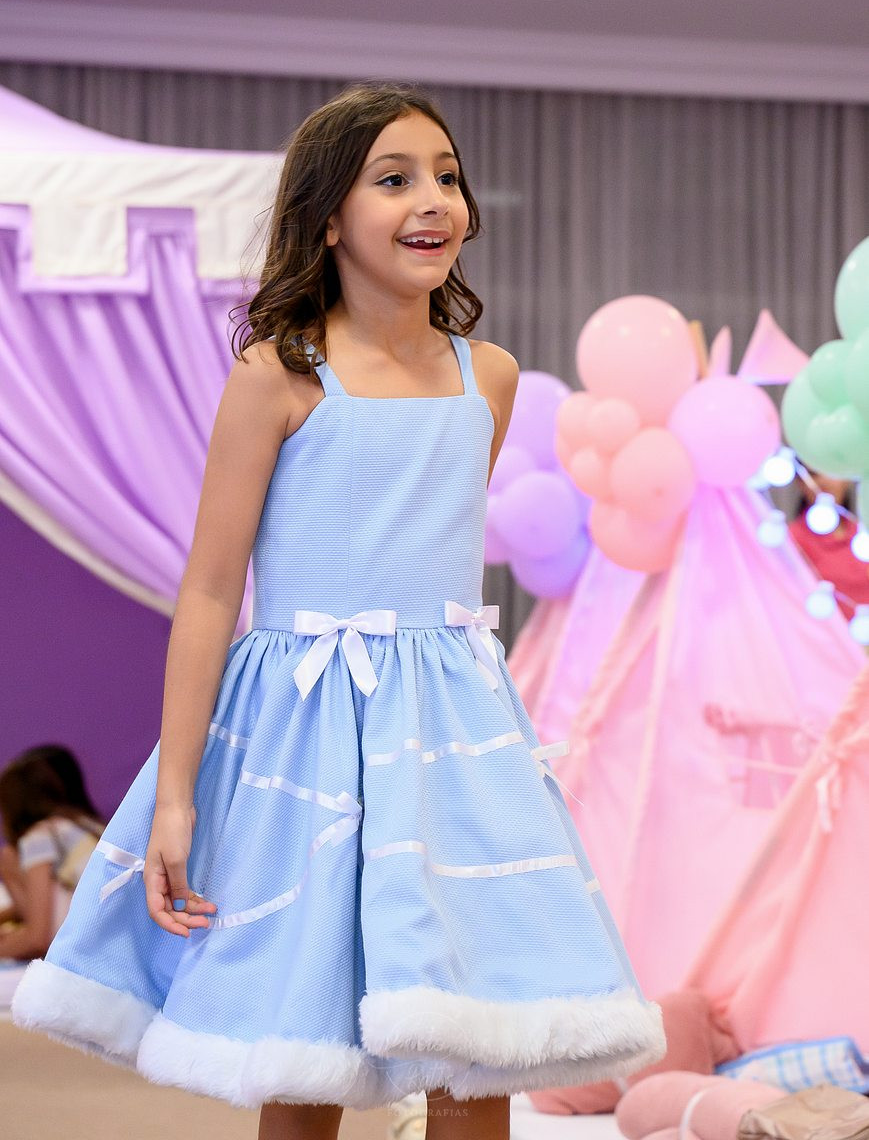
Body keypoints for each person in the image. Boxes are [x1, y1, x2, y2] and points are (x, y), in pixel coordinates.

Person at [12, 83, 665, 1139]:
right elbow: (210, 591)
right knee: (303, 1039)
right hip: (304, 731)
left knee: (477, 1035)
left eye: (446, 176)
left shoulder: (488, 379)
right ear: (326, 218)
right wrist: (175, 796)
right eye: (393, 179)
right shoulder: (278, 375)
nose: (433, 199)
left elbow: (430, 552)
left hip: (450, 730)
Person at [0, 747, 104, 960]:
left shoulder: (40, 836)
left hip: (86, 949)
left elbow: (38, 939)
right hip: (113, 940)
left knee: (8, 856)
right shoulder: (89, 824)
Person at [789, 473, 869, 621]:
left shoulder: (862, 535)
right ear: (800, 482)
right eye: (814, 475)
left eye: (831, 473)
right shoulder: (790, 541)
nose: (823, 482)